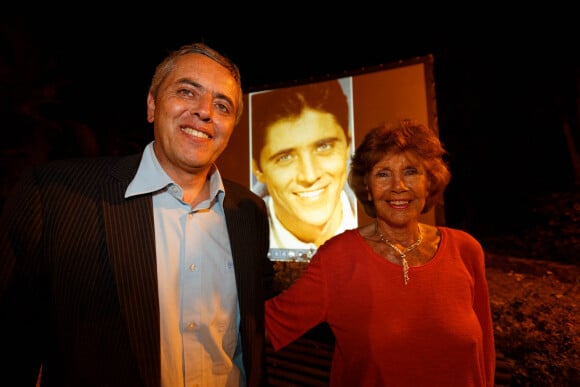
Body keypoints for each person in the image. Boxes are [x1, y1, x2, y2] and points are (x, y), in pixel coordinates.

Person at [0, 43, 273, 387]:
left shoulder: (249, 212)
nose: (205, 112)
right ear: (152, 105)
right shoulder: (55, 197)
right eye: (187, 92)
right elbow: (12, 340)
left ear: (231, 126)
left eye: (222, 105)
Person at [265, 119, 496, 386]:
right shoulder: (338, 259)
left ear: (429, 182)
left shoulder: (465, 250)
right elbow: (267, 327)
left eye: (411, 172)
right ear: (367, 188)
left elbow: (484, 355)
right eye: (383, 173)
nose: (398, 186)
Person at [250, 79, 357, 262]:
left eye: (324, 147)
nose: (310, 175)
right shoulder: (241, 240)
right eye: (285, 157)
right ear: (258, 169)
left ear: (348, 144)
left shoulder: (382, 223)